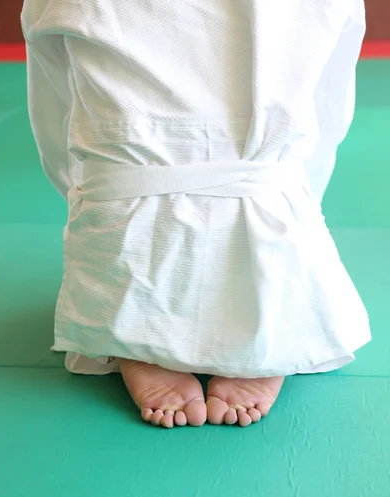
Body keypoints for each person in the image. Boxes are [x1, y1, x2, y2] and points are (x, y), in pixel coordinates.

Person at [21, 0, 371, 428]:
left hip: (128, 182)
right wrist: (292, 190)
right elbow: (329, 100)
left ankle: (132, 326)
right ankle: (272, 317)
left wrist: (87, 191)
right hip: (263, 182)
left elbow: (54, 104)